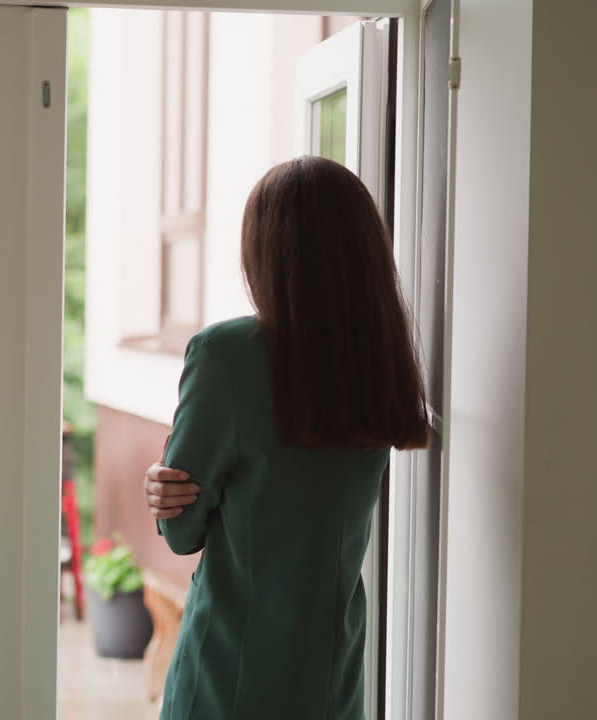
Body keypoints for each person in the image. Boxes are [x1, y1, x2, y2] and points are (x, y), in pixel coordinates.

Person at [143, 155, 429, 720]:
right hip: (332, 678)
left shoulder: (227, 356)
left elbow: (180, 532)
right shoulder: (381, 367)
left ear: (266, 254)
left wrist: (163, 487)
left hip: (229, 676)